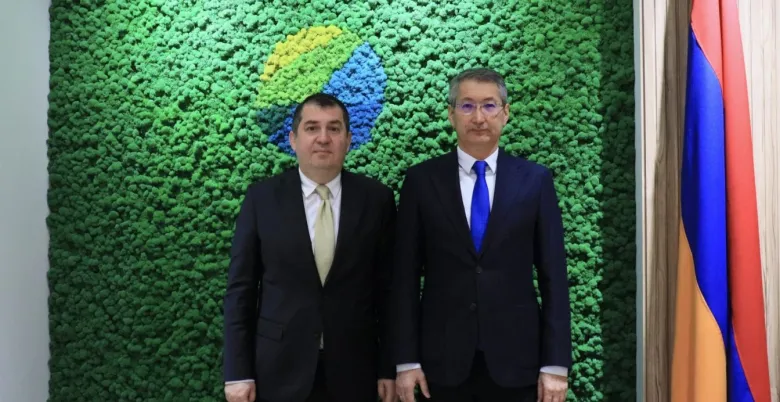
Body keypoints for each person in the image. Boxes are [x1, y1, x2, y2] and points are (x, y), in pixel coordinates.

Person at [392, 68, 572, 402]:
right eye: (467, 106)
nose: (478, 117)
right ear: (451, 114)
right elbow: (404, 278)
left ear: (506, 113)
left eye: (489, 105)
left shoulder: (535, 181)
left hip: (518, 362)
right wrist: (406, 360)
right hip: (440, 363)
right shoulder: (421, 181)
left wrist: (556, 364)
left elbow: (554, 277)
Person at [223, 93, 398, 402]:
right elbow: (241, 290)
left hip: (357, 371)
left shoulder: (377, 200)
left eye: (334, 128)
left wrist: (389, 368)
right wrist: (238, 372)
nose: (323, 138)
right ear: (293, 139)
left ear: (348, 140)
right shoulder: (261, 199)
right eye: (312, 128)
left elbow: (389, 292)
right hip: (278, 370)